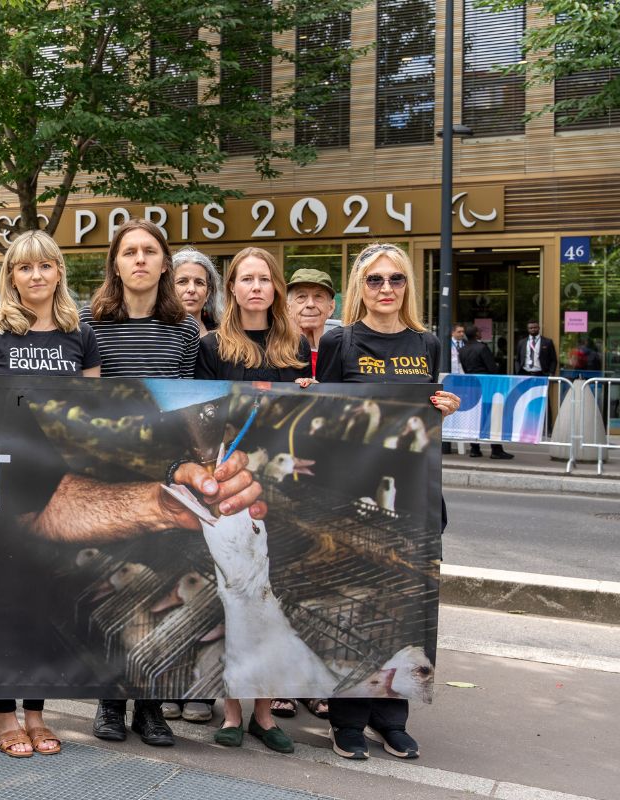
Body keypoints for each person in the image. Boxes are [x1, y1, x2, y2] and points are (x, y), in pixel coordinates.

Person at [316, 243, 460, 761]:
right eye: (374, 280)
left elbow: (427, 413)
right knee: (353, 607)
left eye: (395, 279)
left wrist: (444, 406)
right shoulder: (341, 340)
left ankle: (391, 717)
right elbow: (324, 419)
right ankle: (347, 719)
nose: (385, 289)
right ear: (360, 287)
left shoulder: (427, 342)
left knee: (402, 610)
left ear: (408, 286)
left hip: (414, 499)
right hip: (354, 497)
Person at [0, 229, 101, 757]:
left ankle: (38, 714)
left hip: (60, 484)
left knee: (48, 597)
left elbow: (92, 414)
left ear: (59, 273)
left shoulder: (79, 334)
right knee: (8, 598)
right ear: (11, 276)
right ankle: (3, 715)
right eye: (24, 268)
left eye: (45, 266)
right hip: (7, 483)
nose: (36, 276)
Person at [80, 218, 201, 747]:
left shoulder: (184, 331)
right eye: (129, 251)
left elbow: (193, 402)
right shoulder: (91, 323)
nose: (140, 260)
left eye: (150, 251)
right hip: (108, 478)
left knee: (165, 585)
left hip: (167, 479)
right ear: (116, 263)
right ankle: (110, 702)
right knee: (118, 589)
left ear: (164, 262)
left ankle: (151, 707)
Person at [194, 246, 309, 754]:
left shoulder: (295, 345)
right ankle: (234, 708)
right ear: (233, 289)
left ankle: (264, 711)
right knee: (236, 589)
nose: (257, 286)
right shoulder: (214, 346)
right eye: (247, 278)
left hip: (280, 486)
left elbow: (302, 418)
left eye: (265, 278)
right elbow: (202, 413)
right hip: (229, 481)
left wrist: (310, 393)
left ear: (275, 288)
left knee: (269, 592)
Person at [457, 323, 513, 459]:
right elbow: (492, 368)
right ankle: (496, 449)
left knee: (474, 417)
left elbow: (464, 367)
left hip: (471, 386)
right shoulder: (482, 348)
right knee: (492, 417)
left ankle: (475, 449)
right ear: (477, 334)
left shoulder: (462, 350)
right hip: (486, 386)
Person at [286, 268, 337, 379]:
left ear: (331, 307)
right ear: (288, 307)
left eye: (318, 296)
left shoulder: (340, 353)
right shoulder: (275, 353)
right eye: (301, 297)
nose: (310, 304)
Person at [172, 247, 222, 336]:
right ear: (168, 288)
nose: (191, 289)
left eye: (199, 283)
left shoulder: (223, 336)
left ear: (208, 293)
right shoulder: (156, 334)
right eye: (182, 281)